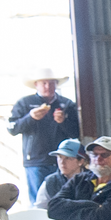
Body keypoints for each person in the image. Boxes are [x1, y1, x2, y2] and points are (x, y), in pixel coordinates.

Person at [8, 68, 79, 199]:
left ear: (56, 84)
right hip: (36, 161)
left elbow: (76, 133)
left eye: (52, 83)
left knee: (64, 197)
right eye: (44, 83)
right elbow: (12, 129)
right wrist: (30, 118)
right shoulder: (25, 103)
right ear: (36, 85)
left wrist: (63, 121)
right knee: (39, 199)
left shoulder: (67, 104)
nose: (48, 86)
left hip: (62, 160)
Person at [43, 133, 111, 220]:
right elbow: (53, 209)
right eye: (94, 155)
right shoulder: (79, 179)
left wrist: (69, 215)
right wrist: (90, 204)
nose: (98, 159)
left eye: (105, 155)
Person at [34, 138, 87, 206]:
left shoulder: (93, 180)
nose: (62, 162)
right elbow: (40, 210)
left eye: (68, 158)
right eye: (59, 157)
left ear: (81, 161)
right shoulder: (50, 182)